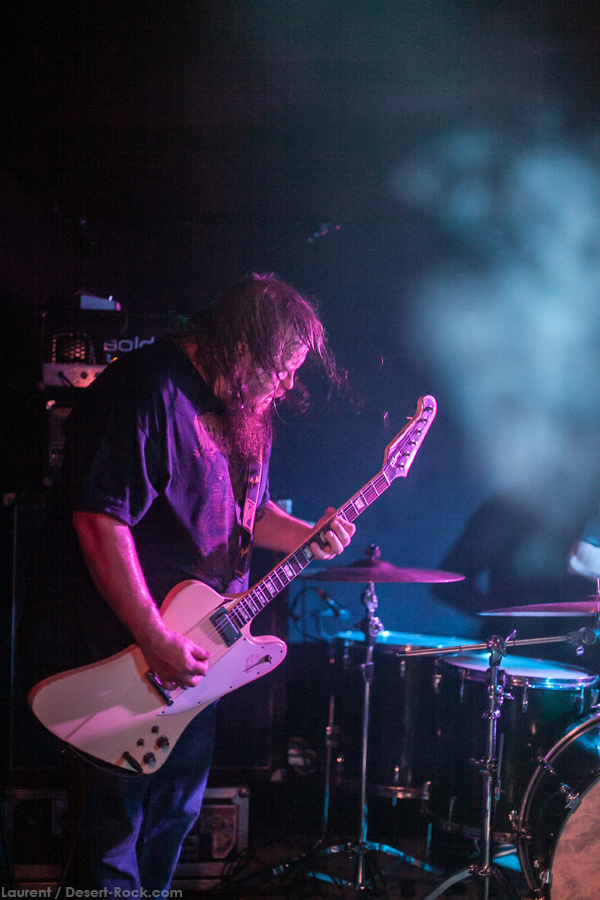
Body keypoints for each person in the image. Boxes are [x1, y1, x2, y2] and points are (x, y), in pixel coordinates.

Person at [21, 272, 356, 894]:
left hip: (197, 655)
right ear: (240, 345)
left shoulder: (245, 414)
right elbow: (100, 519)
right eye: (281, 367)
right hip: (122, 651)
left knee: (171, 823)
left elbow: (248, 515)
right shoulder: (146, 389)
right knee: (111, 840)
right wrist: (153, 635)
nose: (288, 384)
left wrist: (310, 533)